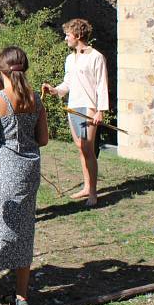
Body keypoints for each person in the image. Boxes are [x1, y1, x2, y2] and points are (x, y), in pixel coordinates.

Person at [0, 46, 48, 305]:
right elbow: (43, 139)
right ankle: (21, 295)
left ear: (0, 70)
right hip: (29, 172)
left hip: (2, 171)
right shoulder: (35, 100)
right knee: (24, 228)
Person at [41, 18, 109, 206]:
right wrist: (54, 90)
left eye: (67, 35)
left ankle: (93, 193)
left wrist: (100, 111)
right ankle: (87, 187)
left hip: (89, 108)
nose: (65, 39)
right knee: (81, 148)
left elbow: (102, 86)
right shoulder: (70, 59)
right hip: (73, 107)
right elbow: (68, 84)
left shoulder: (96, 57)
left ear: (78, 35)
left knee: (88, 149)